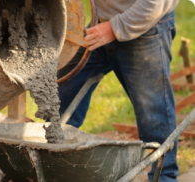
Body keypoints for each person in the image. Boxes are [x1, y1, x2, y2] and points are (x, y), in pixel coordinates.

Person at [58, 0, 180, 181]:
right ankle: (54, 158)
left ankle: (164, 177)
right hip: (103, 21)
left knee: (153, 112)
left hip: (145, 24)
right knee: (66, 86)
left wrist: (115, 28)